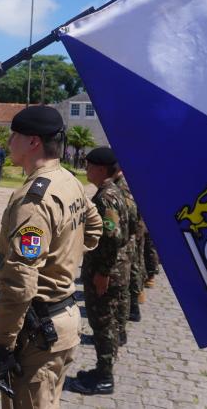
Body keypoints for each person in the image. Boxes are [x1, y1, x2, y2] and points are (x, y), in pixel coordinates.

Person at [0, 105, 106, 408]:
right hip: (63, 318)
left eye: (14, 134)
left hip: (39, 330)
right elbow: (93, 227)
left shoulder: (33, 201)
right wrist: (65, 256)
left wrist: (3, 342)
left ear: (33, 142)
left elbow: (20, 281)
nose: (9, 141)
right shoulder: (69, 180)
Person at [71, 147, 129, 395]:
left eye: (89, 165)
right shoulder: (112, 192)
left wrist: (103, 271)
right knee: (107, 322)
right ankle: (102, 369)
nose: (86, 170)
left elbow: (111, 237)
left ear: (101, 169)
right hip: (113, 269)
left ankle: (105, 377)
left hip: (107, 272)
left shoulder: (106, 198)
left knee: (103, 323)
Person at [114, 170, 144, 323]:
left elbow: (131, 214)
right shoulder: (124, 181)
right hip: (133, 231)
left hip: (130, 234)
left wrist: (130, 232)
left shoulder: (122, 185)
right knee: (133, 266)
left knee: (131, 269)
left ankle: (133, 307)